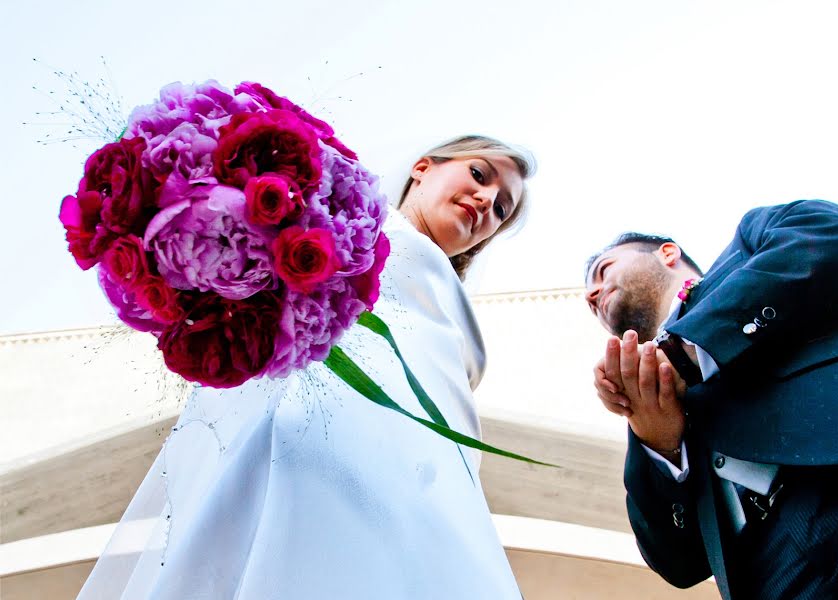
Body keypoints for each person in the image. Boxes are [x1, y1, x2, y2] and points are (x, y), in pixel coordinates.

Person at [77, 135, 536, 599]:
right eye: (480, 174)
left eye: (501, 209)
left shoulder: (450, 299)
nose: (486, 200)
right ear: (422, 167)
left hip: (429, 477)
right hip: (307, 431)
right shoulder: (337, 220)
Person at [584, 199, 838, 599]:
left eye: (604, 270)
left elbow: (826, 234)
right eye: (590, 293)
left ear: (667, 253)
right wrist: (659, 443)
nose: (593, 293)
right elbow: (678, 565)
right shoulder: (644, 399)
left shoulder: (751, 242)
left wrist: (687, 352)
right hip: (777, 578)